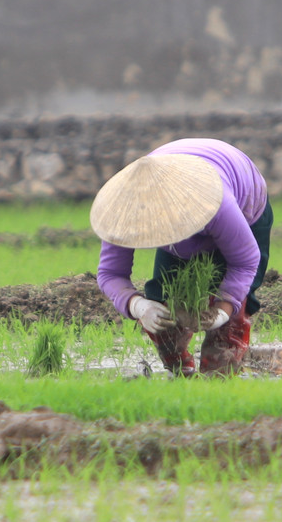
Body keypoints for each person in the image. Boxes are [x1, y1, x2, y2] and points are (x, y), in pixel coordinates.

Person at [92, 138, 272, 377]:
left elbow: (245, 261)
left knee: (234, 316)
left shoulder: (218, 203)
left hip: (242, 198)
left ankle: (218, 382)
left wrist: (223, 309)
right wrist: (137, 306)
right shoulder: (122, 212)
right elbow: (110, 273)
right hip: (186, 191)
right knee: (162, 302)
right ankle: (181, 373)